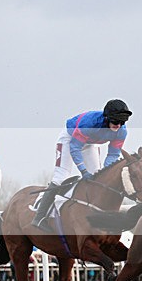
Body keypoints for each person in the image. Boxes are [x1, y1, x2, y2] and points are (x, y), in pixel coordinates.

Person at [31, 99, 132, 231]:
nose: (118, 125)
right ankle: (40, 217)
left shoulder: (122, 132)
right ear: (107, 117)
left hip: (90, 144)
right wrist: (83, 171)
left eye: (122, 122)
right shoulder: (90, 123)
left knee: (98, 179)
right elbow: (75, 147)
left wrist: (106, 171)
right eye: (115, 121)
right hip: (70, 140)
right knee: (60, 178)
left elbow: (113, 155)